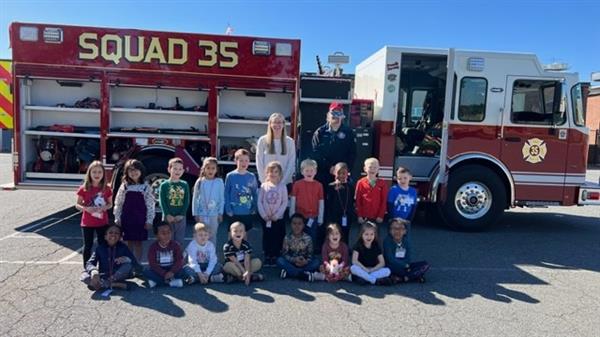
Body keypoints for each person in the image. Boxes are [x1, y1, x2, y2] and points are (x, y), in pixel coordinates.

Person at [113, 159, 155, 262]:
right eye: (130, 170)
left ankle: (137, 263)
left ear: (141, 171)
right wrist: (117, 217)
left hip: (140, 220)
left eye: (136, 170)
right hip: (127, 219)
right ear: (126, 172)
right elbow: (118, 203)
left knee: (138, 242)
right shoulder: (125, 186)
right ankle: (128, 263)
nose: (134, 172)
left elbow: (150, 205)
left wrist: (149, 220)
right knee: (127, 242)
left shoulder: (145, 187)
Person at [75, 160, 113, 268]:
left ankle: (103, 267)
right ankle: (87, 268)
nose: (97, 175)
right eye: (94, 172)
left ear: (103, 174)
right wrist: (86, 209)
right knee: (88, 246)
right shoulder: (84, 188)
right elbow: (77, 205)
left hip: (102, 222)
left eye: (99, 172)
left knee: (103, 245)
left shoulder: (107, 188)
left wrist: (104, 207)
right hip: (87, 223)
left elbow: (110, 204)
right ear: (89, 173)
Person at [311, 101, 356, 187]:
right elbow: (315, 154)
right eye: (334, 115)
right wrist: (330, 168)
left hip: (342, 176)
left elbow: (352, 154)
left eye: (339, 115)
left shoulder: (349, 133)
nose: (337, 118)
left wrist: (343, 169)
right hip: (323, 174)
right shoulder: (320, 132)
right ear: (328, 116)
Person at [80, 225, 137, 291]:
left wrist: (126, 259)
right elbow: (89, 263)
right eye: (110, 233)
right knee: (83, 275)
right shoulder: (100, 248)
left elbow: (134, 263)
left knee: (128, 265)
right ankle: (114, 284)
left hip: (119, 274)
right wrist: (93, 271)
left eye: (116, 233)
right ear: (105, 236)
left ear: (120, 237)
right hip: (104, 274)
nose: (113, 235)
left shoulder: (123, 247)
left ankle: (103, 284)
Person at [257, 161, 288, 266]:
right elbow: (260, 201)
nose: (273, 174)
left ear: (280, 174)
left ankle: (276, 255)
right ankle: (267, 255)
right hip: (266, 218)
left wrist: (277, 215)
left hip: (277, 218)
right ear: (267, 173)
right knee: (267, 236)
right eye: (271, 172)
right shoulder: (263, 186)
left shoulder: (282, 186)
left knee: (277, 236)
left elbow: (284, 202)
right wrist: (264, 215)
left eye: (276, 172)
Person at [290, 159, 324, 251]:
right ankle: (297, 252)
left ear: (315, 171)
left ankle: (310, 255)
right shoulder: (297, 184)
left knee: (311, 237)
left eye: (312, 170)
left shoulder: (319, 185)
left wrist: (320, 218)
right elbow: (293, 200)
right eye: (307, 170)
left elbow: (321, 202)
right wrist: (292, 214)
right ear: (302, 171)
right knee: (298, 235)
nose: (309, 173)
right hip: (299, 216)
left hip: (313, 217)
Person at [276, 213, 320, 281]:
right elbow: (285, 254)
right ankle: (302, 274)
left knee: (316, 262)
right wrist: (294, 260)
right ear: (290, 224)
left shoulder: (308, 238)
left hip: (304, 263)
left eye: (299, 224)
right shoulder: (287, 238)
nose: (297, 226)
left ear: (303, 225)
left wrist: (306, 261)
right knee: (280, 260)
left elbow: (310, 254)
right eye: (294, 223)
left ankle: (290, 273)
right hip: (291, 262)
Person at [383, 218, 429, 283]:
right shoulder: (387, 241)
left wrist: (406, 265)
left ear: (405, 231)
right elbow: (390, 259)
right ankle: (414, 276)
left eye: (401, 229)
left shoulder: (406, 241)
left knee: (425, 264)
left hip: (406, 266)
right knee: (387, 270)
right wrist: (404, 265)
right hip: (393, 266)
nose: (397, 231)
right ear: (389, 230)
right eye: (394, 228)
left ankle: (403, 278)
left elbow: (408, 257)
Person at [224, 149, 258, 236]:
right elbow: (226, 193)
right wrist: (228, 209)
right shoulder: (230, 176)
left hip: (247, 211)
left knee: (245, 234)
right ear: (235, 161)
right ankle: (231, 250)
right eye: (241, 160)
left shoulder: (251, 176)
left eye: (246, 160)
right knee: (232, 234)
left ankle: (244, 249)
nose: (244, 163)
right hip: (234, 212)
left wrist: (254, 207)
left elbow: (254, 193)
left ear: (249, 161)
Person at [256, 112, 296, 185]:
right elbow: (259, 162)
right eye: (274, 122)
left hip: (284, 184)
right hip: (266, 184)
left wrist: (283, 183)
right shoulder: (262, 140)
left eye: (279, 122)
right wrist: (264, 182)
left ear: (283, 125)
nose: (277, 125)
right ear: (270, 124)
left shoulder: (290, 142)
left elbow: (291, 164)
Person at [192, 157, 224, 245]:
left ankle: (211, 255)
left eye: (213, 168)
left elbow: (222, 198)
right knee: (201, 234)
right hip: (202, 213)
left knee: (212, 235)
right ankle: (200, 254)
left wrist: (220, 213)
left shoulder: (219, 181)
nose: (210, 170)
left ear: (216, 169)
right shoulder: (200, 182)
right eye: (208, 168)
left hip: (214, 214)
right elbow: (195, 198)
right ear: (204, 169)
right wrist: (195, 213)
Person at [159, 157, 190, 248]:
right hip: (168, 217)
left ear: (183, 171)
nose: (177, 171)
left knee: (179, 240)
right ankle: (167, 257)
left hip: (180, 217)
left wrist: (182, 214)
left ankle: (177, 258)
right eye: (175, 168)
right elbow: (162, 201)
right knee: (166, 238)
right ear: (169, 169)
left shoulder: (184, 184)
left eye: (180, 169)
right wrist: (167, 214)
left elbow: (186, 200)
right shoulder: (164, 185)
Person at [143, 222, 186, 288]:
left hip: (171, 268)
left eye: (169, 232)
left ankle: (157, 282)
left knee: (183, 271)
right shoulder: (153, 247)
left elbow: (179, 260)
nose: (167, 235)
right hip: (159, 270)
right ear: (157, 236)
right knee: (146, 271)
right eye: (163, 233)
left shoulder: (175, 245)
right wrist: (164, 273)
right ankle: (171, 282)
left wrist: (172, 271)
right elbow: (153, 264)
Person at [325, 162, 355, 244]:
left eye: (343, 173)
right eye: (339, 173)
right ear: (334, 173)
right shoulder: (331, 186)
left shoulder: (351, 186)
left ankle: (345, 249)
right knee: (334, 233)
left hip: (346, 215)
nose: (341, 175)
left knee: (345, 233)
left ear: (347, 173)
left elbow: (352, 200)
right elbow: (328, 202)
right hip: (334, 215)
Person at [355, 158, 388, 228]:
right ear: (365, 169)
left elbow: (384, 200)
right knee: (363, 235)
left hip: (376, 217)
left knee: (376, 236)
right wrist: (359, 215)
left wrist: (381, 215)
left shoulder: (382, 183)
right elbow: (358, 200)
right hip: (364, 216)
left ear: (378, 169)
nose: (372, 169)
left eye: (375, 167)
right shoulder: (360, 182)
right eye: (370, 167)